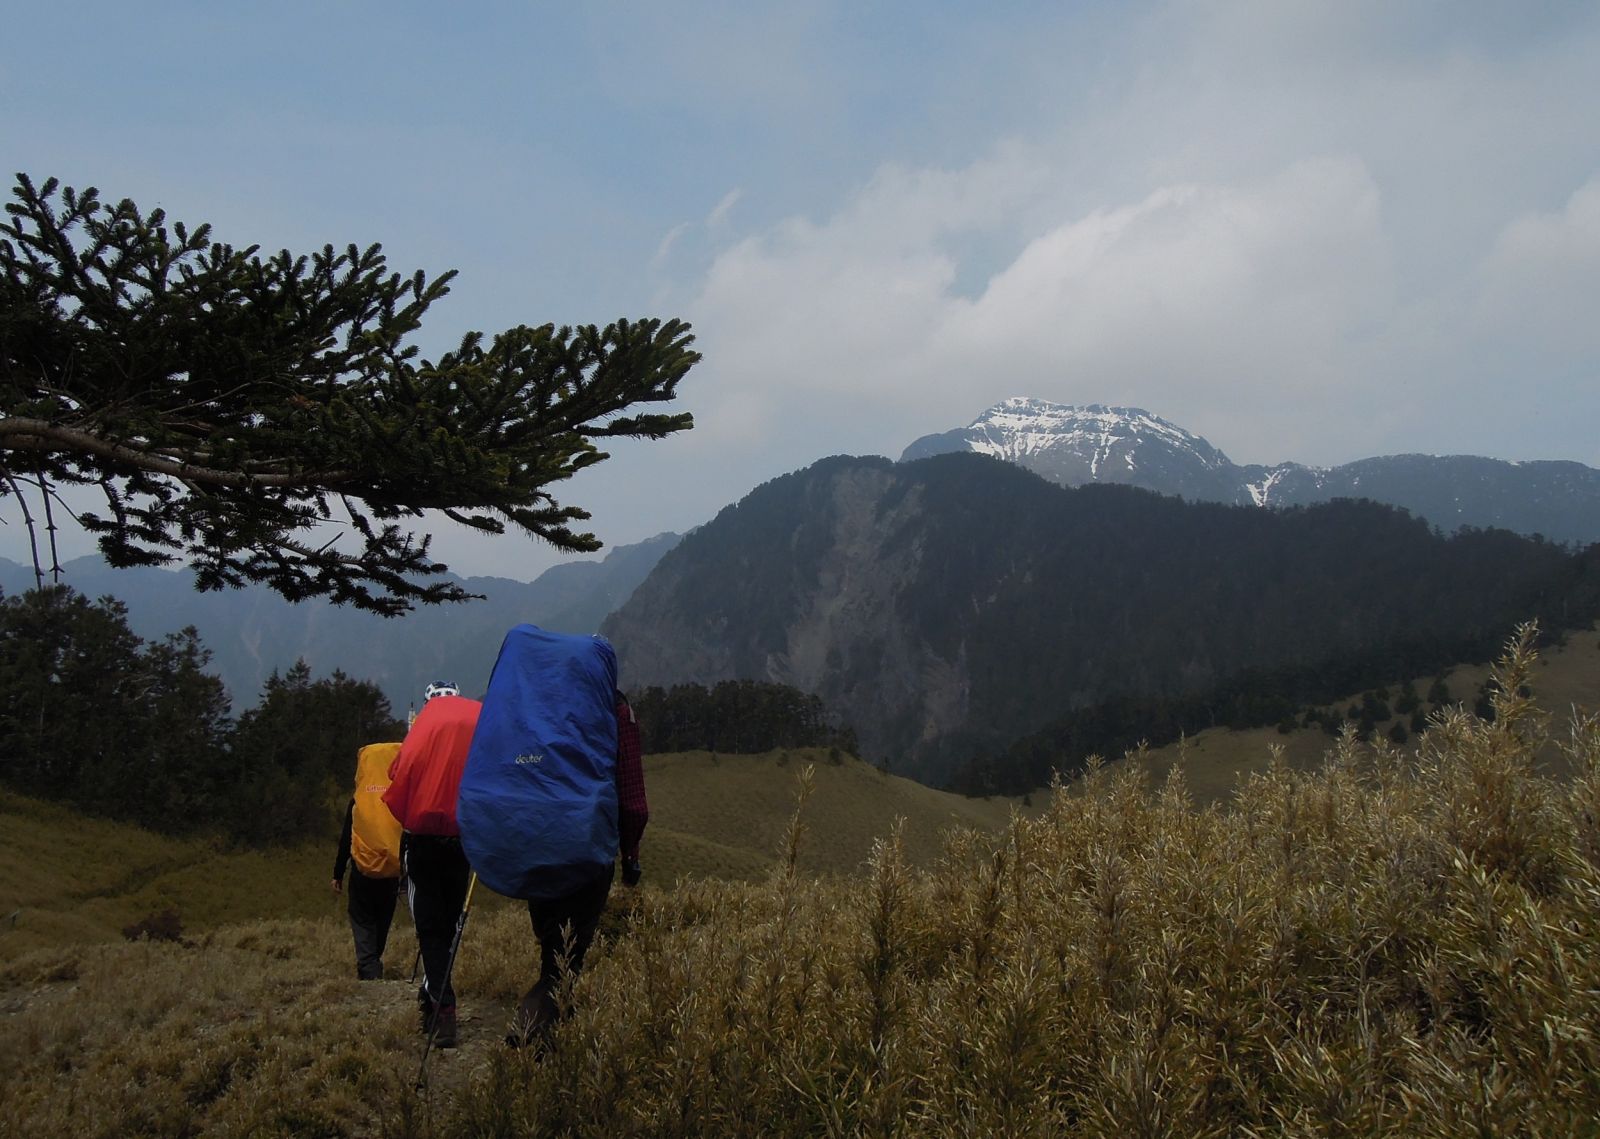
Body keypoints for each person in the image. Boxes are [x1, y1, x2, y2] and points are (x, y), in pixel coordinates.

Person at [508, 687, 648, 1049]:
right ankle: (535, 1030)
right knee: (568, 954)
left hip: (538, 841)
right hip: (589, 847)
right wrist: (630, 855)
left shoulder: (543, 704)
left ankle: (546, 1032)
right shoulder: (616, 708)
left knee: (552, 945)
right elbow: (632, 799)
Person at [382, 681, 479, 1048]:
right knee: (450, 923)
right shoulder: (475, 720)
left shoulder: (424, 724)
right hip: (463, 840)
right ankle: (433, 991)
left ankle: (443, 1008)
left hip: (422, 840)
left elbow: (399, 770)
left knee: (429, 927)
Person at [330, 741, 404, 979]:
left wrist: (338, 873)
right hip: (393, 870)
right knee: (383, 916)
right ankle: (373, 960)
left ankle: (368, 964)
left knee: (362, 917)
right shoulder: (399, 795)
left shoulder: (360, 799)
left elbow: (345, 838)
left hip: (362, 869)